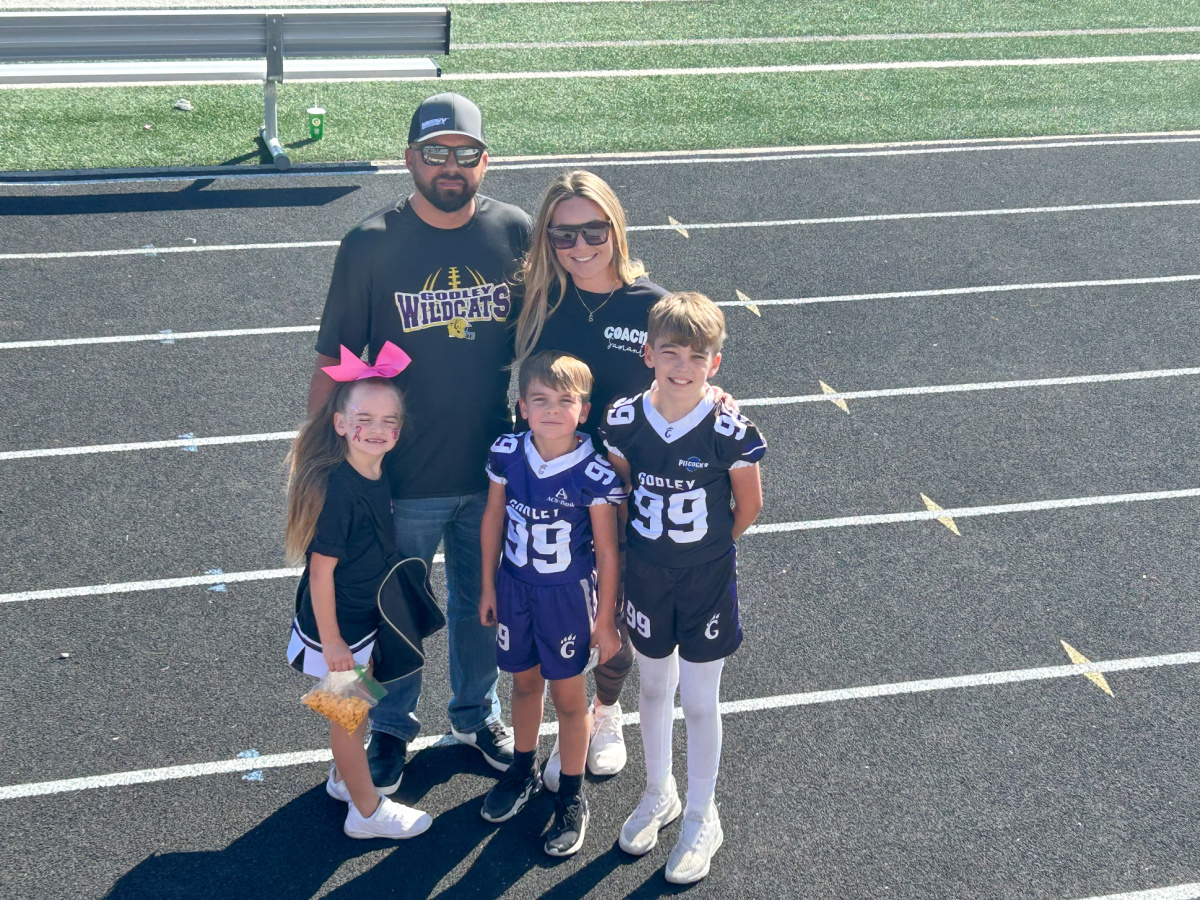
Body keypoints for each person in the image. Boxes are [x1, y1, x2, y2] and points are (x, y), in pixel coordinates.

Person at [308, 92, 532, 789]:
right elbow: (331, 362)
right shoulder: (369, 243)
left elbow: (571, 316)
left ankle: (474, 712)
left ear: (485, 160)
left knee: (480, 607)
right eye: (435, 153)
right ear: (409, 158)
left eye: (465, 154)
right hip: (397, 480)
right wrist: (316, 470)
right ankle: (387, 730)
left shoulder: (516, 231)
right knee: (390, 613)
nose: (450, 167)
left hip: (493, 472)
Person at [599, 293, 766, 884]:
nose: (682, 365)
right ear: (647, 354)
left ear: (714, 364)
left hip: (704, 578)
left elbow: (748, 505)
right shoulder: (623, 419)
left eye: (697, 356)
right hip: (647, 573)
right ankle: (658, 792)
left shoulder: (728, 427)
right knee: (652, 691)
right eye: (670, 352)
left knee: (697, 699)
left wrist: (707, 550)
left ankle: (701, 814)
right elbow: (622, 494)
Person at [511, 170, 669, 789]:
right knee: (556, 609)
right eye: (563, 235)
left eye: (592, 231)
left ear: (615, 228)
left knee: (612, 611)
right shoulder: (539, 300)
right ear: (547, 239)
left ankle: (605, 714)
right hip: (550, 488)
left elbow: (689, 375)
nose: (579, 247)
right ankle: (568, 720)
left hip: (626, 489)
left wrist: (720, 397)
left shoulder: (649, 304)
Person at [477, 350, 625, 855]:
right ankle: (521, 769)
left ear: (584, 411)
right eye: (540, 399)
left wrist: (604, 620)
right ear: (521, 406)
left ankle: (570, 794)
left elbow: (607, 550)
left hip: (566, 596)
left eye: (565, 401)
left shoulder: (596, 471)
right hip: (515, 586)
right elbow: (493, 519)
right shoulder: (507, 452)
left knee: (567, 698)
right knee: (521, 684)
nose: (552, 410)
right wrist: (487, 586)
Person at [284, 345, 433, 840]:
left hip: (362, 621)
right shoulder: (339, 492)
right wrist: (332, 643)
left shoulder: (373, 470)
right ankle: (366, 813)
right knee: (347, 718)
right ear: (341, 423)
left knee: (357, 710)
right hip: (342, 627)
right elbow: (321, 572)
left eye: (389, 420)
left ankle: (345, 780)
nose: (378, 428)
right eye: (364, 418)